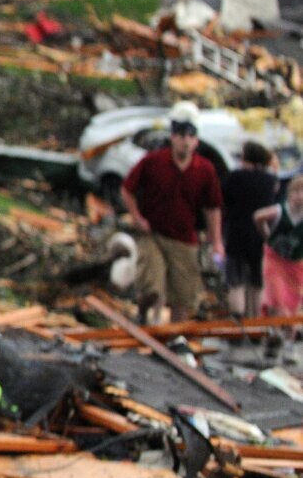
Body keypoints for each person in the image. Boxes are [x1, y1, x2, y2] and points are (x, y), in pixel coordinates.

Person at [120, 101, 224, 325]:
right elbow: (127, 189)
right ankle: (145, 317)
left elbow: (213, 208)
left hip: (185, 239)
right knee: (153, 287)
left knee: (184, 296)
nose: (185, 141)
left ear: (196, 140)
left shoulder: (205, 170)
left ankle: (176, 338)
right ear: (172, 136)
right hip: (153, 234)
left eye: (190, 136)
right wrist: (137, 217)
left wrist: (216, 242)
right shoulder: (154, 162)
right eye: (180, 135)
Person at [222, 140, 277, 320]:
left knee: (235, 281)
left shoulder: (234, 177)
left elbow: (224, 202)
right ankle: (257, 322)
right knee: (257, 282)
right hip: (260, 235)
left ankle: (238, 321)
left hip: (236, 233)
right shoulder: (270, 181)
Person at [254, 173, 303, 348]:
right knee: (277, 296)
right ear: (289, 194)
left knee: (294, 299)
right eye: (296, 192)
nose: (300, 197)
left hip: (296, 263)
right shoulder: (281, 210)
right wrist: (267, 236)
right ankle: (274, 333)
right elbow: (259, 216)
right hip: (275, 258)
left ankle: (289, 336)